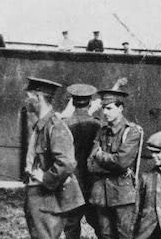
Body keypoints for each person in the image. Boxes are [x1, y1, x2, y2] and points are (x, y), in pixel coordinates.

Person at [23, 77, 84, 239]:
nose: (25, 101)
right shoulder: (42, 125)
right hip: (39, 197)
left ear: (38, 97)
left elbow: (67, 162)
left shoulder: (55, 126)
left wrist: (45, 178)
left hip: (48, 199)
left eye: (28, 96)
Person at [88, 88, 143, 239]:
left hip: (122, 195)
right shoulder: (102, 131)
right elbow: (91, 163)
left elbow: (121, 162)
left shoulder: (132, 131)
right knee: (104, 234)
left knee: (124, 234)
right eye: (104, 108)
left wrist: (101, 156)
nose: (105, 112)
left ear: (120, 108)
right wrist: (109, 162)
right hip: (101, 193)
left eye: (109, 108)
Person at [63, 84, 101, 239]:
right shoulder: (98, 125)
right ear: (90, 103)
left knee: (71, 223)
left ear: (72, 102)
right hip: (93, 181)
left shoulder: (65, 125)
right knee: (99, 223)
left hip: (73, 181)